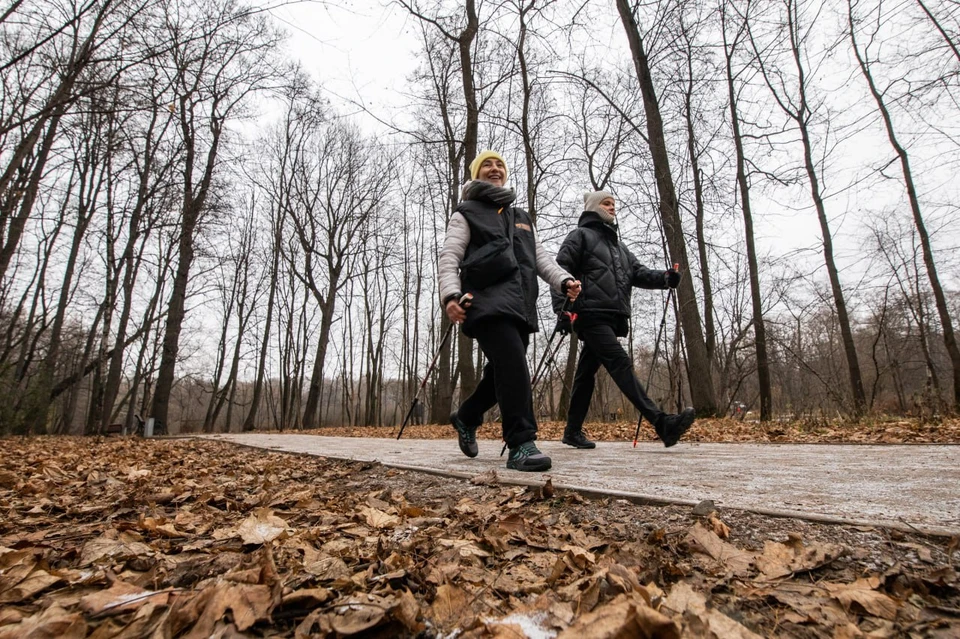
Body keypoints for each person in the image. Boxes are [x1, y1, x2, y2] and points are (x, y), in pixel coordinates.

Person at [438, 150, 581, 472]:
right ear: (476, 174)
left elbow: (541, 259)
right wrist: (450, 296)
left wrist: (564, 281)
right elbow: (449, 256)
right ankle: (521, 443)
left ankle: (466, 417)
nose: (494, 168)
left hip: (519, 304)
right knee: (514, 365)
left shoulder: (522, 217)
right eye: (486, 164)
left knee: (501, 371)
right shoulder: (466, 213)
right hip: (484, 300)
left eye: (499, 165)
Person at [553, 190, 695, 449]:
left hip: (611, 317)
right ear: (594, 207)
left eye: (614, 204)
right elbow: (560, 271)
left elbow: (638, 273)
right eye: (607, 204)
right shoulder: (580, 236)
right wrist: (562, 311)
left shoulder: (619, 247)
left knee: (585, 375)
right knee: (620, 363)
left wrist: (665, 278)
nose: (612, 208)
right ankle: (662, 423)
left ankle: (572, 431)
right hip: (589, 314)